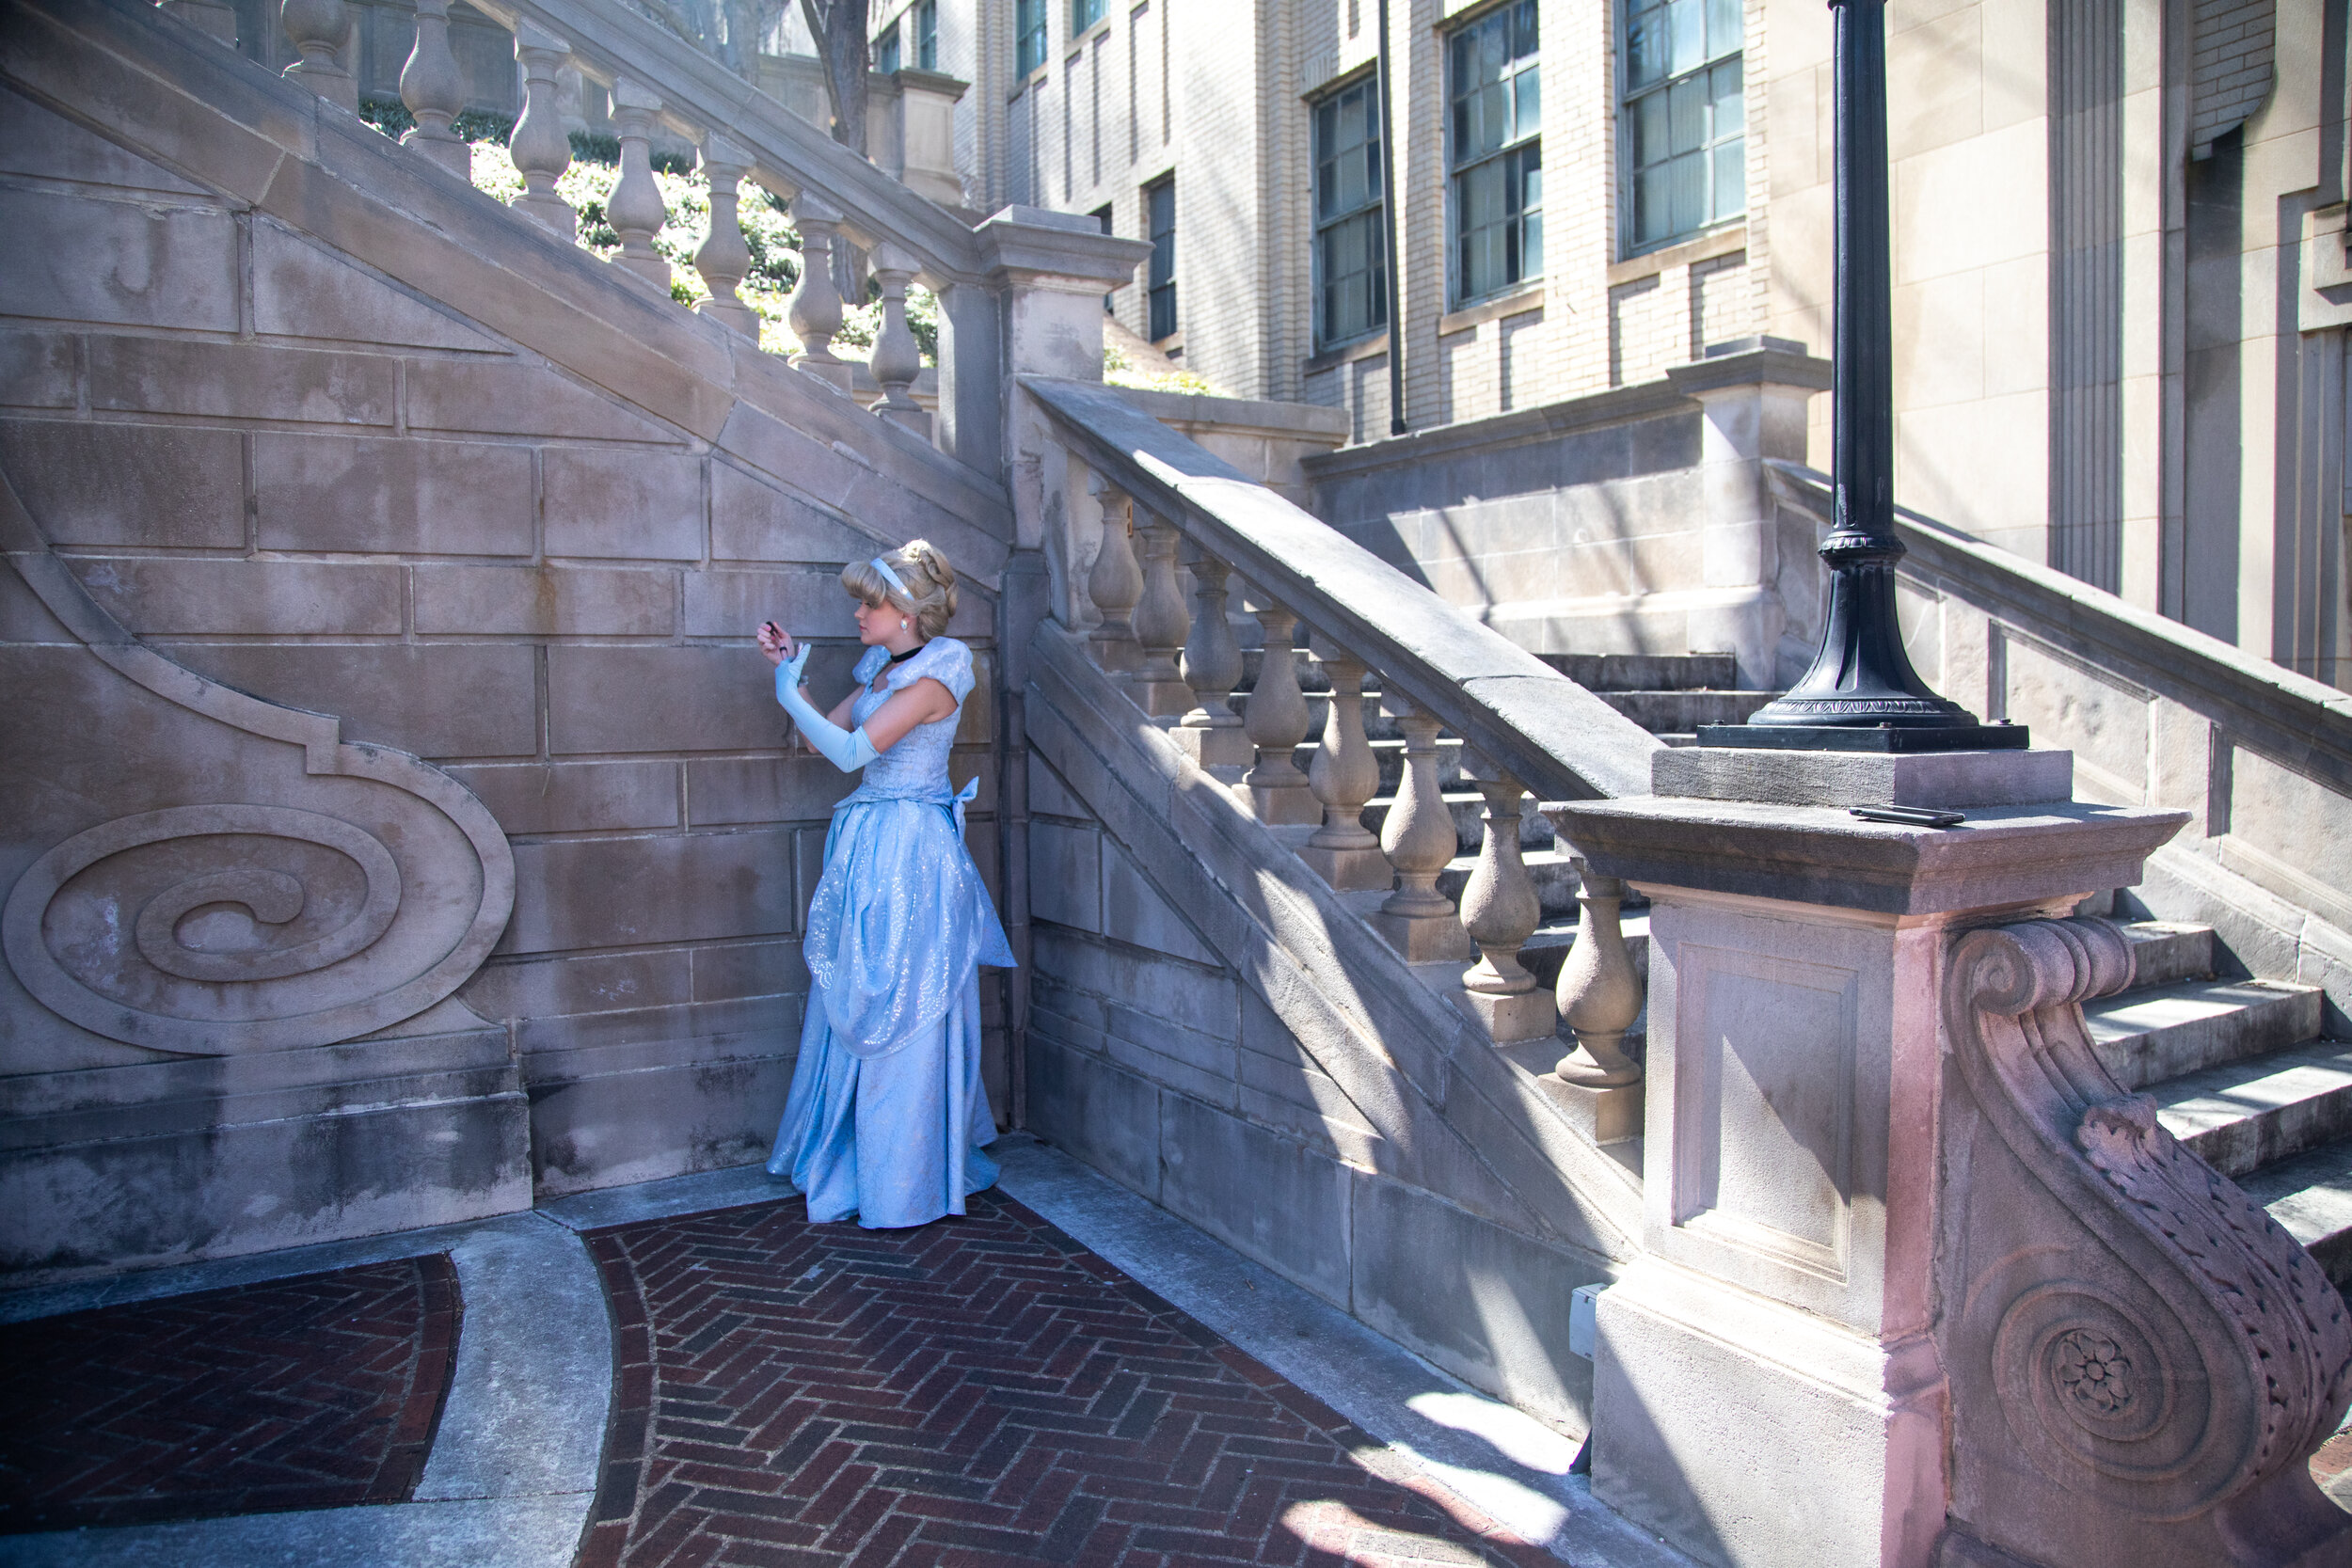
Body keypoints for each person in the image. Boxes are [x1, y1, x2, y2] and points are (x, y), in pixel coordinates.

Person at [754, 540, 1014, 1229]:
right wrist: (795, 677)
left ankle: (903, 1174)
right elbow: (824, 738)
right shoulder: (884, 666)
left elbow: (847, 754)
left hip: (911, 854)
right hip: (871, 842)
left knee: (902, 996)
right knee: (857, 988)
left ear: (904, 611)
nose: (859, 614)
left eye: (870, 603)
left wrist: (786, 695)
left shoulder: (937, 675)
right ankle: (858, 1155)